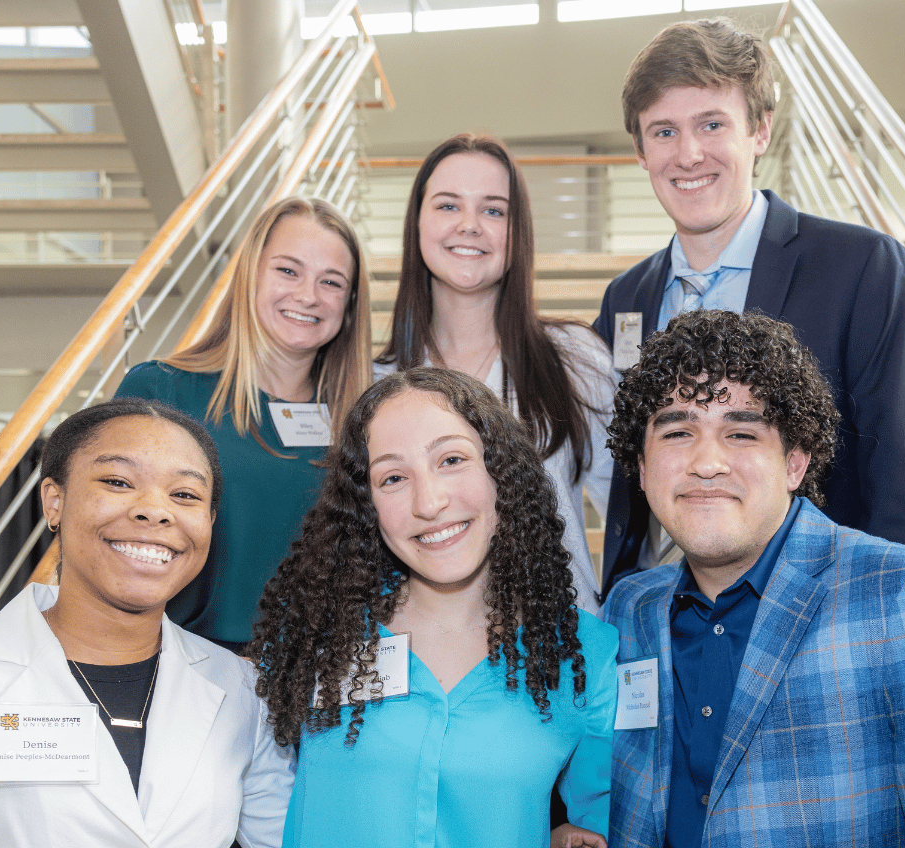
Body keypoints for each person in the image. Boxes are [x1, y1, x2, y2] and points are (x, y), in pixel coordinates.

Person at [604, 309, 905, 847]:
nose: (707, 462)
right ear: (643, 469)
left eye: (741, 433)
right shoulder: (629, 608)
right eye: (677, 432)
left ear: (795, 463)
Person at [593, 18, 905, 595]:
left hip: (820, 612)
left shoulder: (861, 268)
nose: (688, 154)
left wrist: (877, 619)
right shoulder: (626, 299)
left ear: (759, 130)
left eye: (712, 124)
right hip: (658, 613)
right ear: (640, 149)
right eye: (664, 131)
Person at [0, 399, 293, 848]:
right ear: (54, 502)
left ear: (210, 521)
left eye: (185, 495)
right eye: (118, 482)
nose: (155, 511)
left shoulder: (242, 692)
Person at [251, 368, 619, 848]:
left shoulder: (584, 655)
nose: (429, 502)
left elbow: (601, 822)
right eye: (393, 478)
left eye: (451, 460)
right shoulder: (314, 632)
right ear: (365, 505)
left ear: (502, 473)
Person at [115, 196, 372, 652]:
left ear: (350, 304)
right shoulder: (162, 391)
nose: (308, 295)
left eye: (331, 282)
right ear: (251, 274)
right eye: (288, 270)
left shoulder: (365, 420)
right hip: (185, 667)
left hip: (324, 674)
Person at [376, 133, 614, 614]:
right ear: (417, 223)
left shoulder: (576, 357)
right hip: (429, 645)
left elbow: (633, 515)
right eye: (448, 206)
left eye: (493, 210)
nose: (469, 225)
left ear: (517, 231)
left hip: (566, 637)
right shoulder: (380, 382)